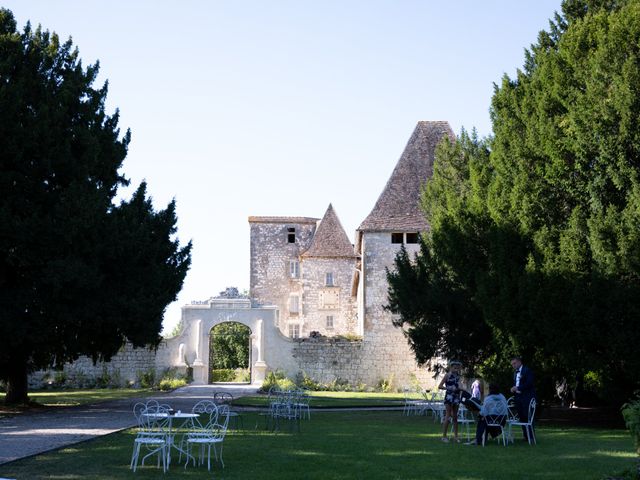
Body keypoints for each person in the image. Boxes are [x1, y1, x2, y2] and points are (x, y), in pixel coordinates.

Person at [510, 356, 536, 441]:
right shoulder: (515, 373)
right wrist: (514, 388)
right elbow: (517, 383)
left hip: (527, 398)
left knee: (528, 417)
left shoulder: (527, 371)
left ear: (519, 362)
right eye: (512, 364)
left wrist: (518, 388)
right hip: (518, 398)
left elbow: (529, 383)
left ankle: (531, 437)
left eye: (514, 363)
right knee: (521, 417)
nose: (513, 365)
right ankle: (526, 436)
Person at [438, 360, 463, 443]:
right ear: (451, 367)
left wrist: (461, 388)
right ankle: (444, 437)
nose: (456, 369)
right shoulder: (447, 375)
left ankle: (456, 437)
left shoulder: (458, 377)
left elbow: (460, 386)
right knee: (448, 416)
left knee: (455, 417)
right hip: (449, 397)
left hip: (456, 397)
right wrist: (448, 388)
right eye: (455, 368)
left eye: (457, 368)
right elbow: (440, 386)